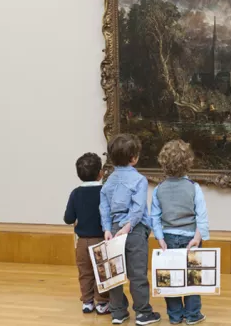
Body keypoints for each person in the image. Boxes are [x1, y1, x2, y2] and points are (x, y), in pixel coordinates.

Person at [100, 133, 161, 325]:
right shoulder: (139, 180)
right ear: (134, 158)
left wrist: (107, 229)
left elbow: (104, 208)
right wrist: (128, 227)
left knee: (115, 273)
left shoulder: (108, 181)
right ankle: (143, 313)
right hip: (134, 231)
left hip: (114, 230)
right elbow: (138, 208)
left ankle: (118, 312)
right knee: (137, 273)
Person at [150, 140, 209, 325]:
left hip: (167, 238)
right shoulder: (194, 187)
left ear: (163, 163)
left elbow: (155, 217)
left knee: (170, 278)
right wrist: (198, 237)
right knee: (192, 278)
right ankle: (192, 315)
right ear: (188, 162)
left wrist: (159, 238)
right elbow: (202, 215)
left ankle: (175, 316)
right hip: (191, 238)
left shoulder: (158, 189)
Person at [63, 152, 110, 315]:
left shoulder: (75, 193)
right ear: (100, 173)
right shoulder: (104, 192)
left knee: (85, 272)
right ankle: (102, 303)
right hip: (101, 239)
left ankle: (87, 302)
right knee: (102, 272)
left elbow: (68, 218)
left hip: (82, 242)